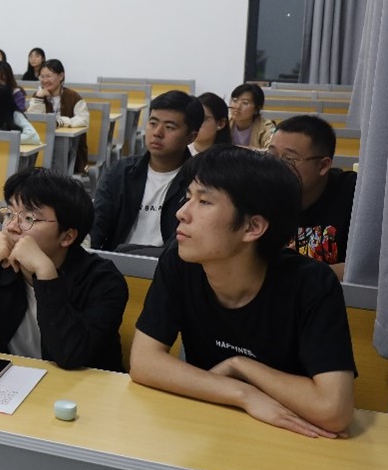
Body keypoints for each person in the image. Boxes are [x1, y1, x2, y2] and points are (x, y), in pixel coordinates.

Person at [130, 145, 355, 438]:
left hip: (291, 436)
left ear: (252, 227)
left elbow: (334, 411)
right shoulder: (180, 261)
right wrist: (242, 393)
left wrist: (240, 365)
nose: (181, 213)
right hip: (211, 425)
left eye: (204, 201)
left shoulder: (311, 284)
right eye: (188, 197)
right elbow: (144, 362)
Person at [0, 168, 128, 371]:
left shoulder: (103, 281)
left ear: (67, 236)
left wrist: (45, 273)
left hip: (81, 387)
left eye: (29, 218)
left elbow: (70, 355)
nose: (11, 226)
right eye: (9, 214)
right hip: (10, 381)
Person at [90, 90, 203, 253]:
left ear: (191, 137)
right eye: (153, 123)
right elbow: (96, 224)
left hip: (168, 264)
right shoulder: (121, 172)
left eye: (169, 127)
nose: (157, 133)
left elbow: (183, 245)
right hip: (116, 261)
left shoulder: (198, 181)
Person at [268, 115, 357, 277]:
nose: (276, 166)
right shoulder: (258, 191)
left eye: (289, 159)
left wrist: (302, 275)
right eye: (272, 155)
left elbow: (369, 268)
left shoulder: (354, 194)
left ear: (323, 166)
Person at [30, 58, 88, 174]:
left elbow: (83, 120)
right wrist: (39, 98)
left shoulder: (73, 97)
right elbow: (33, 121)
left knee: (59, 148)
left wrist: (61, 122)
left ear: (61, 76)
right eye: (42, 76)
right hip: (44, 144)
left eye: (48, 76)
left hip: (69, 148)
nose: (44, 80)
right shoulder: (38, 95)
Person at [229, 83, 275, 149]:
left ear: (256, 109)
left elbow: (271, 151)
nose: (237, 106)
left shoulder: (266, 127)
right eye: (235, 100)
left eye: (245, 103)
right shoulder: (225, 122)